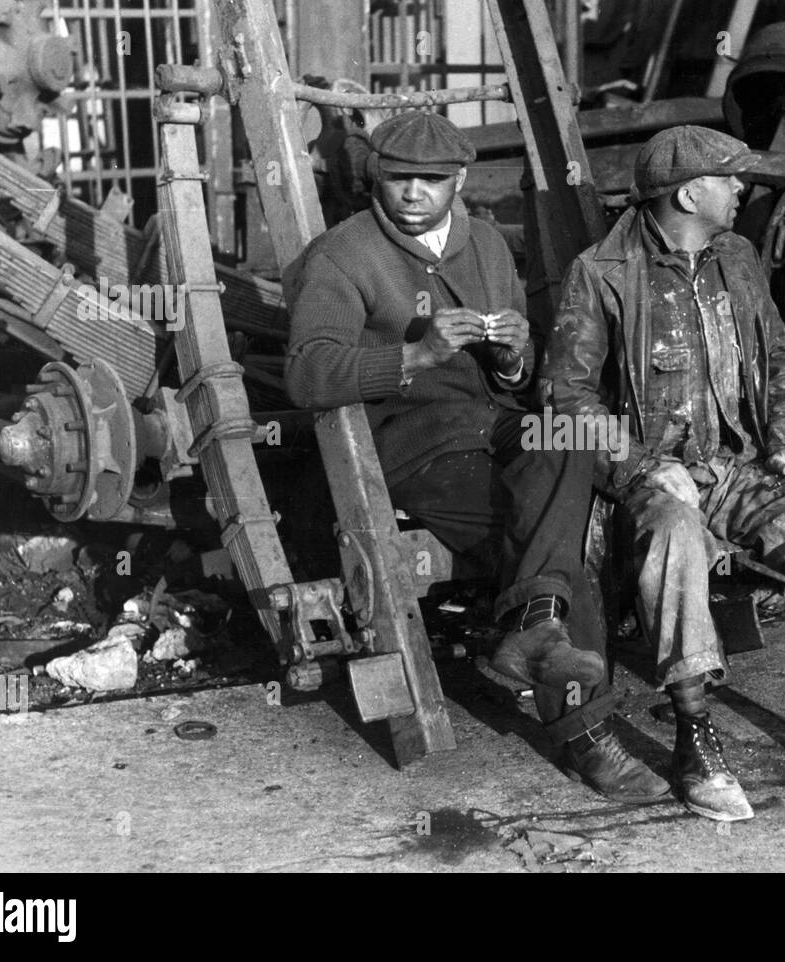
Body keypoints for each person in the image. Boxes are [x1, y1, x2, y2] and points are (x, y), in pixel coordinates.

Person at [284, 110, 669, 804]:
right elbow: (309, 373)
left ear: (457, 180)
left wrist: (515, 357)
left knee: (567, 438)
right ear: (377, 174)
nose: (412, 193)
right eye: (398, 177)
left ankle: (531, 630)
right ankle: (586, 733)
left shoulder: (487, 244)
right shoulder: (343, 254)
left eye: (430, 181)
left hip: (489, 425)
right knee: (563, 551)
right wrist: (412, 355)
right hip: (409, 446)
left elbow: (512, 383)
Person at [540, 124, 785, 822]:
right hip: (650, 483)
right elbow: (565, 398)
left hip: (738, 467)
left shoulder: (737, 258)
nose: (743, 189)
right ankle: (694, 738)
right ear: (689, 192)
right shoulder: (601, 273)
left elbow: (780, 360)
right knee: (676, 535)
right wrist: (641, 467)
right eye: (732, 178)